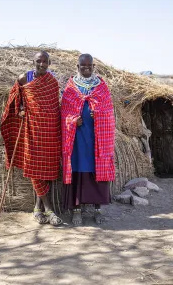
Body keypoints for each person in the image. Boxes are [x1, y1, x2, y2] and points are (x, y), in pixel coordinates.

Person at [1, 51, 62, 225]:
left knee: (47, 169)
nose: (42, 64)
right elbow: (15, 97)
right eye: (39, 61)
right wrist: (20, 108)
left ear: (49, 63)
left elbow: (54, 105)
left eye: (45, 62)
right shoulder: (24, 78)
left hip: (50, 129)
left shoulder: (52, 81)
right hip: (32, 129)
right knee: (34, 166)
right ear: (33, 61)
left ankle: (37, 209)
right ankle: (49, 210)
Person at [61, 53, 115, 225]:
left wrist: (98, 115)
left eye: (88, 66)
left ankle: (98, 210)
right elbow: (64, 114)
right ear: (77, 67)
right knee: (78, 170)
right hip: (77, 139)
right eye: (82, 66)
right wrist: (72, 121)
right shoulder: (70, 88)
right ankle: (76, 210)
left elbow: (109, 114)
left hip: (96, 139)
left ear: (93, 67)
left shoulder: (101, 87)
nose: (86, 68)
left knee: (97, 170)